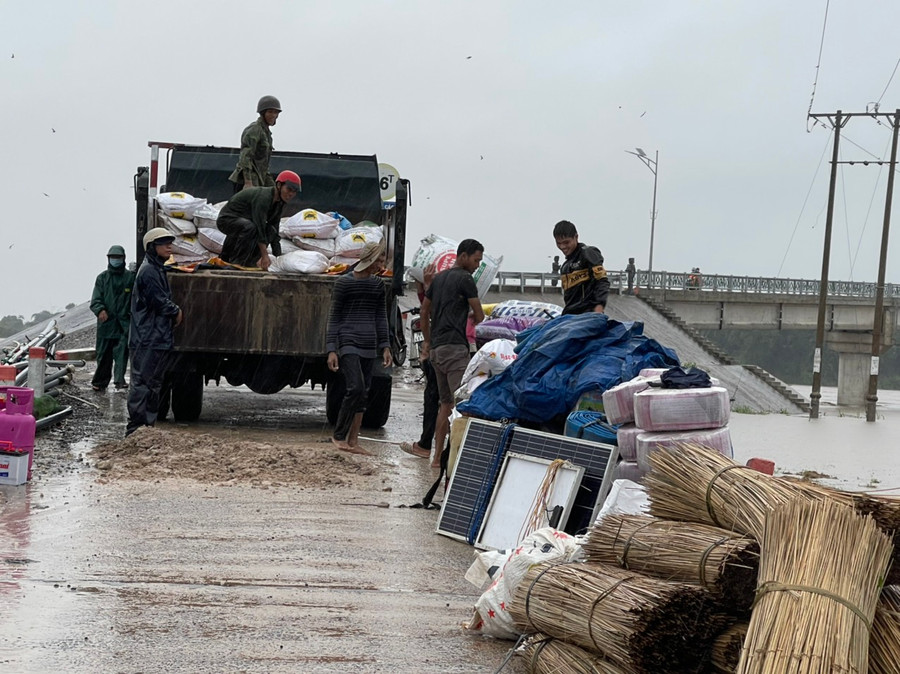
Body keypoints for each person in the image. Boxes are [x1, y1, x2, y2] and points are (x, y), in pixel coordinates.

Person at [420, 239, 485, 468]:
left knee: (445, 404)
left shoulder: (438, 280)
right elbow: (479, 315)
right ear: (464, 256)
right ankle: (457, 462)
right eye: (476, 260)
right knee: (461, 404)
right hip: (456, 350)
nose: (477, 265)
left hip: (437, 351)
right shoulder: (466, 279)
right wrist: (472, 317)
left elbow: (424, 312)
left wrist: (428, 341)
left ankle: (437, 458)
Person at [326, 241, 393, 455]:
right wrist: (331, 349)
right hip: (348, 341)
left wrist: (385, 346)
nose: (381, 265)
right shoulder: (344, 283)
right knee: (354, 387)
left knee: (364, 393)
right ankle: (338, 435)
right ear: (370, 259)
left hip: (369, 343)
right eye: (380, 260)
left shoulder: (377, 285)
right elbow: (334, 317)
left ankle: (353, 440)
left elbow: (380, 317)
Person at [126, 228, 183, 437]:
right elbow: (158, 301)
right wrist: (176, 310)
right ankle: (135, 430)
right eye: (164, 242)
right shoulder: (149, 271)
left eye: (170, 242)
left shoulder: (157, 268)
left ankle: (146, 429)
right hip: (147, 338)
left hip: (155, 337)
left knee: (153, 385)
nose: (169, 246)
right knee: (143, 384)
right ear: (152, 247)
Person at [217, 170, 301, 270]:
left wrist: (279, 259)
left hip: (245, 223)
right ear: (279, 185)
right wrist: (265, 256)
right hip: (226, 220)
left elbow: (274, 231)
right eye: (289, 189)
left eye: (294, 192)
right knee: (250, 227)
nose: (291, 194)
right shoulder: (264, 198)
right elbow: (259, 226)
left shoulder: (279, 203)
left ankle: (250, 262)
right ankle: (237, 263)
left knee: (270, 231)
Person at [90, 245, 136, 392]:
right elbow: (96, 299)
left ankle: (119, 380)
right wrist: (100, 310)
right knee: (103, 355)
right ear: (108, 259)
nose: (115, 260)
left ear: (124, 259)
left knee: (122, 353)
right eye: (112, 258)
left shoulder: (130, 277)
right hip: (106, 324)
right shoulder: (102, 278)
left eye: (118, 258)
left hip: (123, 323)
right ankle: (100, 382)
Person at [552, 220, 610, 314]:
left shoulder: (588, 253)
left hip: (587, 314)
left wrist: (599, 307)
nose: (562, 247)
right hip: (570, 316)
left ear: (576, 237)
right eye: (559, 243)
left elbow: (602, 281)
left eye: (566, 242)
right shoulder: (565, 267)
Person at [228, 95, 282, 190]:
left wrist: (273, 189)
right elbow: (245, 157)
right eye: (270, 112)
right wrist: (248, 182)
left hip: (259, 178)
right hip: (247, 180)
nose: (273, 115)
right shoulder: (254, 130)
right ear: (262, 113)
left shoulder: (266, 133)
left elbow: (263, 165)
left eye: (276, 112)